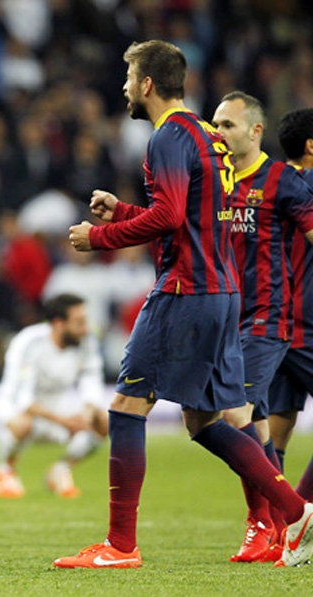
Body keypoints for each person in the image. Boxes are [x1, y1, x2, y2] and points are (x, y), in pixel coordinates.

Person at [54, 40, 313, 569]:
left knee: (127, 407)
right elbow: (194, 213)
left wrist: (98, 239)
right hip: (222, 293)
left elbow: (171, 217)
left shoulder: (168, 136)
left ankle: (120, 546)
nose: (124, 87)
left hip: (184, 291)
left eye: (129, 77)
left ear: (147, 84)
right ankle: (295, 511)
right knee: (204, 420)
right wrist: (123, 211)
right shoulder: (205, 135)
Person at [211, 92, 313, 563]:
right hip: (232, 317)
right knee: (262, 425)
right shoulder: (216, 180)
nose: (218, 132)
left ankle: (283, 520)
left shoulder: (286, 183)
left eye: (228, 124)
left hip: (274, 320)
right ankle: (275, 523)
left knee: (239, 415)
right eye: (216, 124)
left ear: (255, 131)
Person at [0, 293, 108, 499]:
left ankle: (60, 470)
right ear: (58, 323)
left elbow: (92, 383)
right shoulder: (29, 342)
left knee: (104, 421)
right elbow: (22, 398)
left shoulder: (86, 342)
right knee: (22, 423)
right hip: (13, 412)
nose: (85, 328)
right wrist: (63, 421)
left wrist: (86, 414)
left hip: (58, 412)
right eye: (79, 322)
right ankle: (5, 470)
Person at [269, 108, 313, 506]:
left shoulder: (269, 182)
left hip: (273, 321)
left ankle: (271, 525)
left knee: (277, 429)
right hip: (306, 325)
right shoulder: (308, 185)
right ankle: (296, 514)